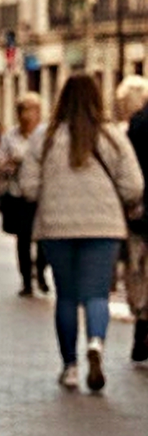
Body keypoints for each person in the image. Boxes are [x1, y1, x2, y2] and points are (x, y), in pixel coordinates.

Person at [19, 72, 144, 392]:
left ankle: (70, 366)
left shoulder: (44, 136)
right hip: (103, 227)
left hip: (56, 226)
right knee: (96, 294)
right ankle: (96, 344)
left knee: (67, 296)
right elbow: (133, 186)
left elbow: (28, 188)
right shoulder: (113, 136)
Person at [0, 92, 50, 297]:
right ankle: (26, 280)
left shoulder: (47, 135)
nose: (27, 116)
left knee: (44, 237)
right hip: (19, 193)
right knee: (23, 237)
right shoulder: (10, 136)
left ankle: (42, 271)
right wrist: (9, 163)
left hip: (42, 193)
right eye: (23, 111)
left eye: (32, 111)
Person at [116, 75, 148, 362]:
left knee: (137, 271)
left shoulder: (137, 126)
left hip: (139, 212)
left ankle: (142, 324)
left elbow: (127, 172)